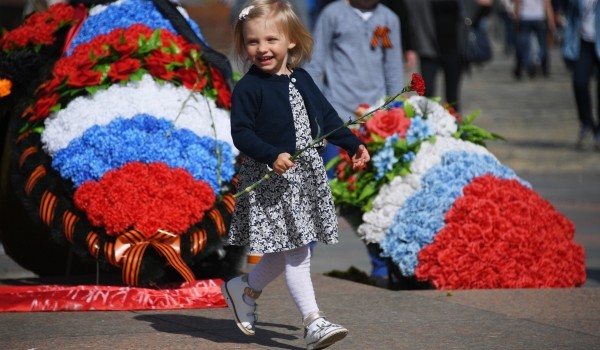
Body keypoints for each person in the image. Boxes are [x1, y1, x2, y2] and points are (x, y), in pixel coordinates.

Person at [222, 1, 370, 349]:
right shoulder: (248, 87)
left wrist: (352, 144)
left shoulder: (303, 78)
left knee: (288, 247)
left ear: (290, 40)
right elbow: (241, 133)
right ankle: (313, 321)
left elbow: (328, 118)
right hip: (273, 179)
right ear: (244, 45)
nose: (262, 49)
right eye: (252, 42)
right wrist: (271, 154)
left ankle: (243, 290)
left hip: (305, 177)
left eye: (271, 39)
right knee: (298, 250)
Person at [304, 0, 404, 283]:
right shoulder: (333, 14)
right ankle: (299, 260)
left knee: (371, 196)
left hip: (374, 123)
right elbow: (315, 64)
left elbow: (394, 71)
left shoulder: (389, 18)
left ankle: (382, 267)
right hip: (337, 120)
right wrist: (317, 111)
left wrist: (393, 114)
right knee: (323, 189)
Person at [404, 0, 492, 112]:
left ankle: (454, 126)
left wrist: (484, 7)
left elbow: (478, 13)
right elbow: (407, 13)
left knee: (452, 97)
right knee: (427, 92)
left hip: (454, 49)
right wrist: (409, 47)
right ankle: (426, 125)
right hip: (428, 48)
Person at [562, 0, 600, 149]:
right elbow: (572, 17)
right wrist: (567, 46)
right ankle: (587, 123)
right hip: (583, 43)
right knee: (579, 82)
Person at [513, 0, 556, 78]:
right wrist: (551, 21)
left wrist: (516, 17)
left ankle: (529, 64)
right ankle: (537, 59)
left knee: (525, 45)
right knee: (543, 45)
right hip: (539, 17)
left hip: (525, 17)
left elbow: (517, 3)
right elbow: (548, 5)